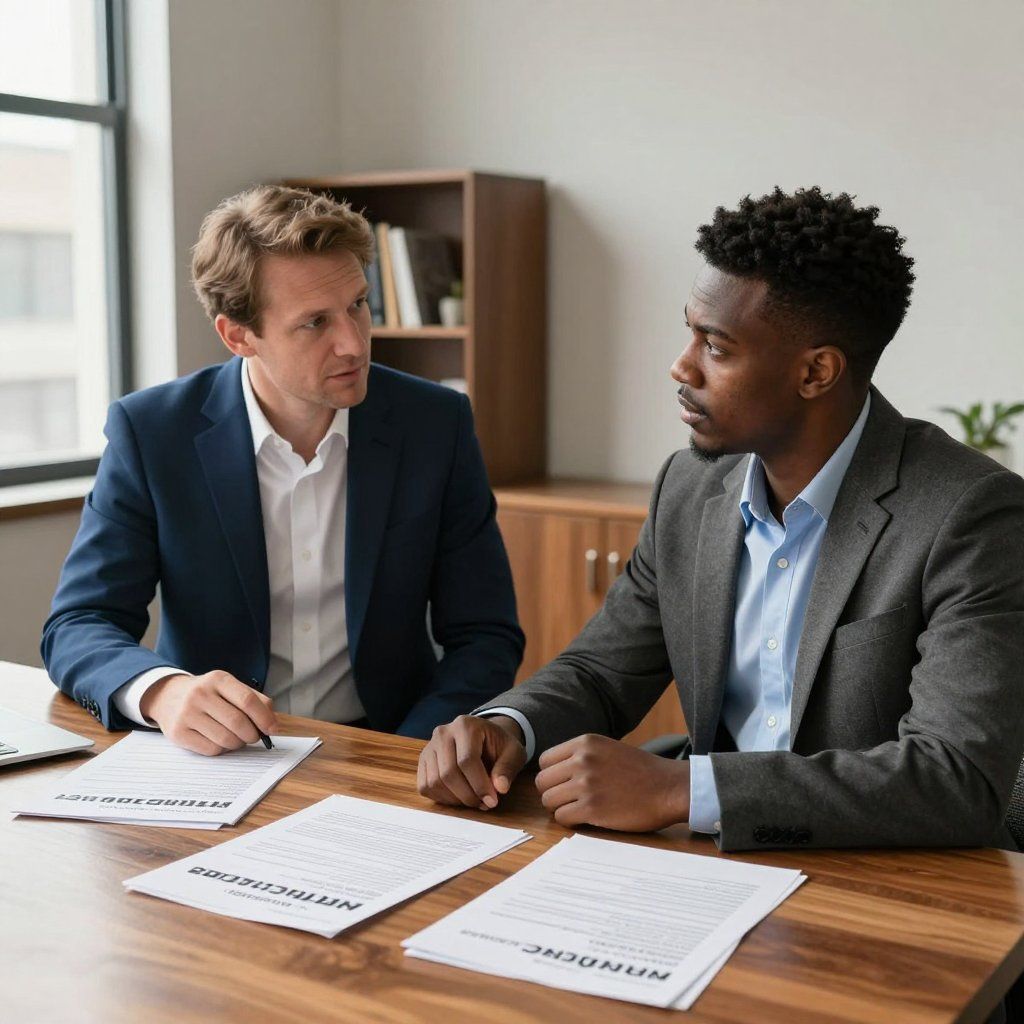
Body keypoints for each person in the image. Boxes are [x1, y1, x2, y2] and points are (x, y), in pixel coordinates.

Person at [417, 186, 1024, 853]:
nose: (681, 366)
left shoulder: (970, 514)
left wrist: (682, 791)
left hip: (881, 882)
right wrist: (508, 727)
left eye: (716, 346)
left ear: (817, 371)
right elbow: (601, 671)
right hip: (709, 865)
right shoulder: (691, 487)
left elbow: (957, 780)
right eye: (690, 333)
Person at [42, 185, 523, 754]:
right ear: (238, 335)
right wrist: (163, 693)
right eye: (315, 322)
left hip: (390, 746)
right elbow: (78, 622)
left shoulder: (434, 424)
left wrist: (415, 755)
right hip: (219, 757)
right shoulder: (153, 433)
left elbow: (484, 635)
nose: (353, 343)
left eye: (358, 305)